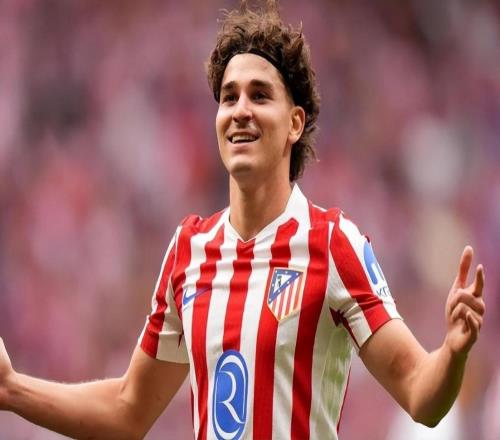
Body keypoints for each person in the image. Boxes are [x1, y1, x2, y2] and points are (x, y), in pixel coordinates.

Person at [0, 1, 486, 439]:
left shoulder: (332, 243)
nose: (240, 111)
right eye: (229, 97)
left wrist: (452, 353)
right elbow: (128, 410)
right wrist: (11, 389)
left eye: (259, 95)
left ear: (295, 123)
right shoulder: (188, 250)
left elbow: (420, 394)